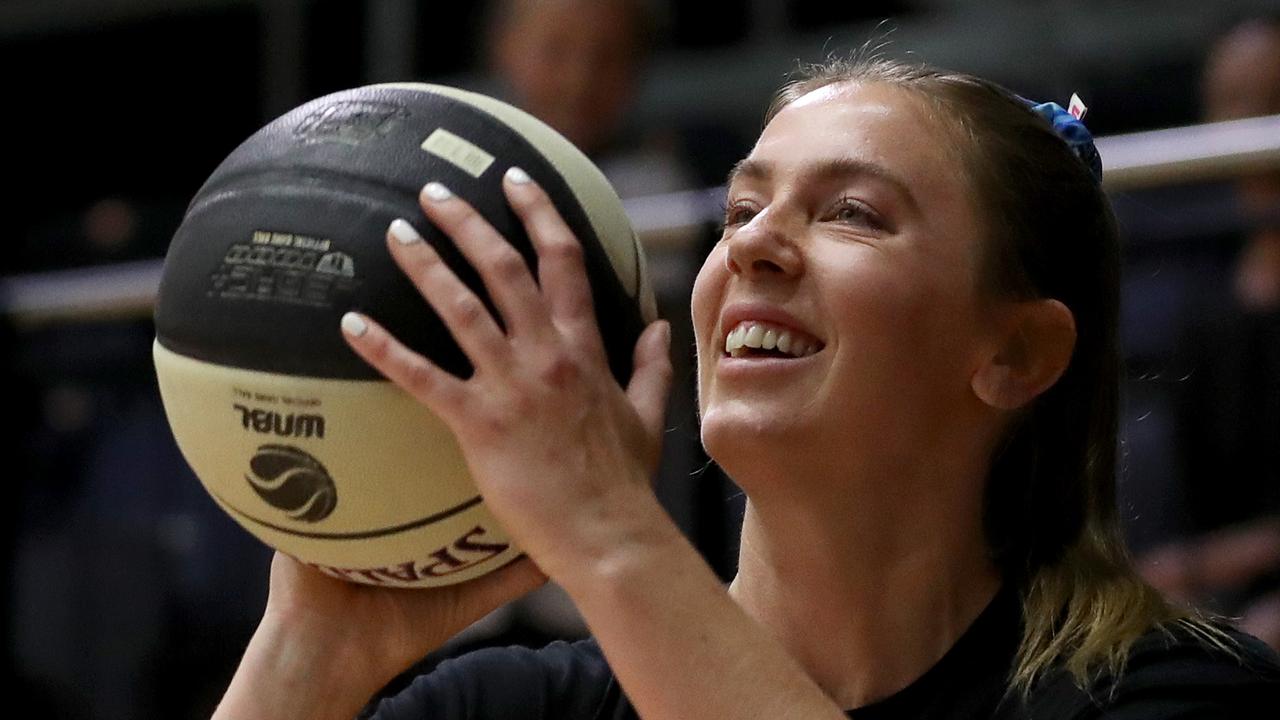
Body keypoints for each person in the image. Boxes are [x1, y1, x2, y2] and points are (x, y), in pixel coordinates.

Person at [210, 57, 1280, 719]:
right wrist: (316, 652)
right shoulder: (519, 703)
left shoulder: (1172, 693)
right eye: (737, 213)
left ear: (1016, 355)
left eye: (851, 212)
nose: (756, 245)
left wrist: (608, 535)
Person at [1139, 17, 1280, 650]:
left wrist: (1208, 565)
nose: (1250, 131)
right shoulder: (1205, 305)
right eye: (1233, 104)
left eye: (1275, 103)